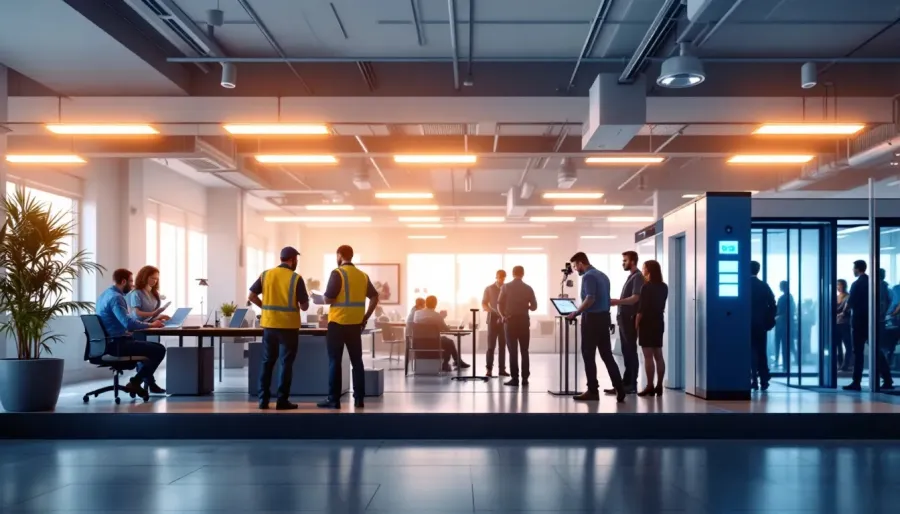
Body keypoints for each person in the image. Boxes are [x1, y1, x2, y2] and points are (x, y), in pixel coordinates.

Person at [317, 245, 380, 409]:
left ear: (339, 255)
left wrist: (321, 298)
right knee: (357, 362)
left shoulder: (337, 273)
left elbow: (328, 299)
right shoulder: (362, 276)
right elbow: (374, 296)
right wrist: (366, 317)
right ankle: (359, 399)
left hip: (337, 324)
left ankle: (334, 400)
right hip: (355, 325)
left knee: (334, 362)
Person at [248, 246, 310, 410]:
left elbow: (251, 296)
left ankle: (263, 400)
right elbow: (304, 307)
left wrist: (265, 307)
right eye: (296, 259)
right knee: (285, 363)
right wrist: (304, 300)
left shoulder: (266, 275)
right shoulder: (296, 278)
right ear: (292, 259)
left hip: (269, 325)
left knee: (267, 362)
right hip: (288, 327)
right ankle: (282, 401)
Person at [95, 269, 166, 397]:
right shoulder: (116, 298)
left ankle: (142, 382)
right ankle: (136, 382)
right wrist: (151, 324)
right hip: (117, 344)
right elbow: (129, 323)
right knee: (159, 350)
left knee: (149, 348)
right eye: (131, 281)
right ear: (123, 281)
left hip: (105, 343)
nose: (133, 284)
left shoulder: (104, 295)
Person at [566, 253, 625, 403]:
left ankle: (593, 391)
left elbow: (590, 298)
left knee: (588, 354)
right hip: (604, 318)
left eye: (574, 266)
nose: (575, 270)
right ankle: (620, 388)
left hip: (591, 319)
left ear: (580, 263)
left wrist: (576, 312)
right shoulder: (603, 276)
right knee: (607, 355)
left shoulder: (588, 276)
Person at [845, 260, 893, 390]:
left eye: (853, 268)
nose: (853, 271)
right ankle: (887, 379)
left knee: (858, 352)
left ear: (857, 269)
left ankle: (856, 382)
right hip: (871, 321)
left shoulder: (857, 284)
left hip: (859, 321)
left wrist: (843, 312)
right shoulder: (873, 283)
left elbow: (850, 303)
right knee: (876, 350)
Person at [609, 251, 643, 394]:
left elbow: (635, 298)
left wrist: (618, 301)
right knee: (625, 351)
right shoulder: (632, 277)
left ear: (633, 261)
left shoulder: (638, 277)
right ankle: (624, 383)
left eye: (625, 261)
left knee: (630, 351)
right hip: (623, 319)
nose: (623, 263)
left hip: (629, 319)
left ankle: (631, 384)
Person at [498, 265, 537, 387]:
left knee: (513, 351)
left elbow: (499, 304)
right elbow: (534, 307)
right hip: (524, 322)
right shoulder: (528, 288)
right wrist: (527, 306)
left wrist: (503, 316)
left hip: (510, 322)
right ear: (523, 274)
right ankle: (525, 379)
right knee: (525, 350)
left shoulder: (506, 287)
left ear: (513, 273)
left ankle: (515, 379)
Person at [635, 259, 668, 397]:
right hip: (659, 321)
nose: (642, 270)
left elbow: (641, 309)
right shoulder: (664, 286)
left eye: (644, 268)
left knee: (648, 356)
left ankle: (649, 386)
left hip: (647, 323)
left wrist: (636, 325)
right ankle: (659, 385)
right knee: (658, 355)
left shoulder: (646, 287)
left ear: (649, 270)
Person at [413, 296, 470, 371]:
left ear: (426, 303)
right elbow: (446, 329)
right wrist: (441, 317)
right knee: (449, 342)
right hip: (433, 344)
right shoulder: (437, 316)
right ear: (435, 304)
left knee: (445, 341)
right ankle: (450, 363)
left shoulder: (417, 314)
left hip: (418, 344)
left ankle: (454, 362)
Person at [750, 261, 776, 391]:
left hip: (746, 325)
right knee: (761, 352)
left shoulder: (743, 285)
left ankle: (752, 379)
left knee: (748, 352)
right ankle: (764, 379)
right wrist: (769, 321)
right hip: (761, 325)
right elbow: (772, 304)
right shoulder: (764, 286)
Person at [482, 269, 509, 378]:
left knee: (502, 346)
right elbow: (484, 303)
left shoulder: (507, 288)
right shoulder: (489, 289)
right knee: (491, 346)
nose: (501, 279)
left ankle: (502, 370)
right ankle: (489, 370)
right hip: (492, 319)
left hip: (504, 320)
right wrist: (490, 310)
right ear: (496, 277)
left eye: (503, 277)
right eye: (500, 277)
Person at [774, 280, 797, 370]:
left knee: (782, 344)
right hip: (782, 324)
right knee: (783, 344)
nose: (779, 287)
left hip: (782, 324)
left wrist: (778, 316)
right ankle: (784, 364)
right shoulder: (788, 297)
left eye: (781, 285)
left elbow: (785, 310)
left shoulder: (786, 298)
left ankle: (784, 365)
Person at [835, 279, 852, 372]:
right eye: (837, 285)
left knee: (847, 345)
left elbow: (848, 310)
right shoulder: (836, 297)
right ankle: (839, 364)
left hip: (845, 323)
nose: (838, 287)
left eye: (840, 285)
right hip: (836, 324)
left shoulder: (848, 297)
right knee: (837, 345)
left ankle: (846, 364)